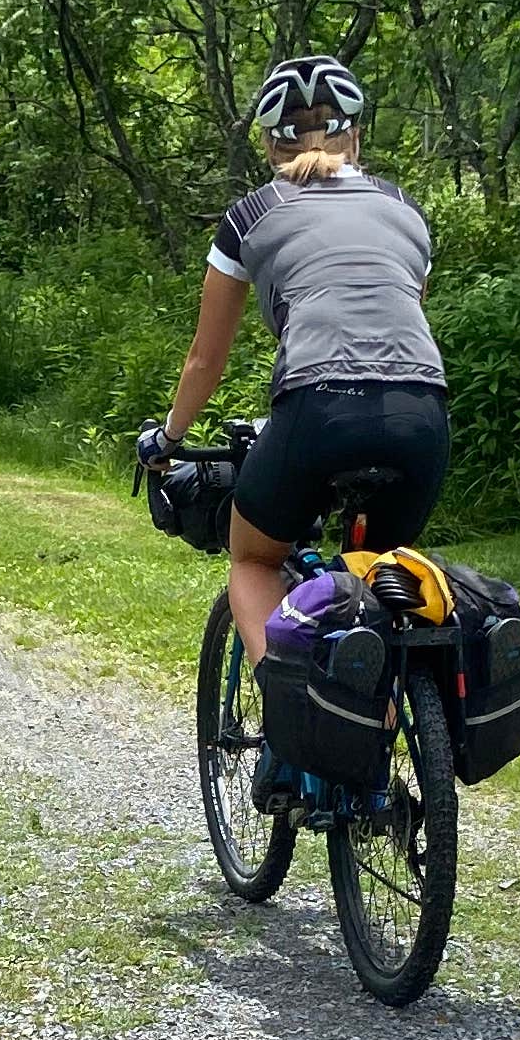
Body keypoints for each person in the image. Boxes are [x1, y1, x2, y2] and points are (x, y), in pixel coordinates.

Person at [138, 55, 450, 660]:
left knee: (254, 559)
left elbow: (205, 360)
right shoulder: (406, 210)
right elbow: (402, 316)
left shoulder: (250, 217)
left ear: (268, 146)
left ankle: (283, 696)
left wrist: (167, 439)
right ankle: (388, 702)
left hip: (318, 405)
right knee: (381, 576)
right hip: (422, 412)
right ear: (355, 136)